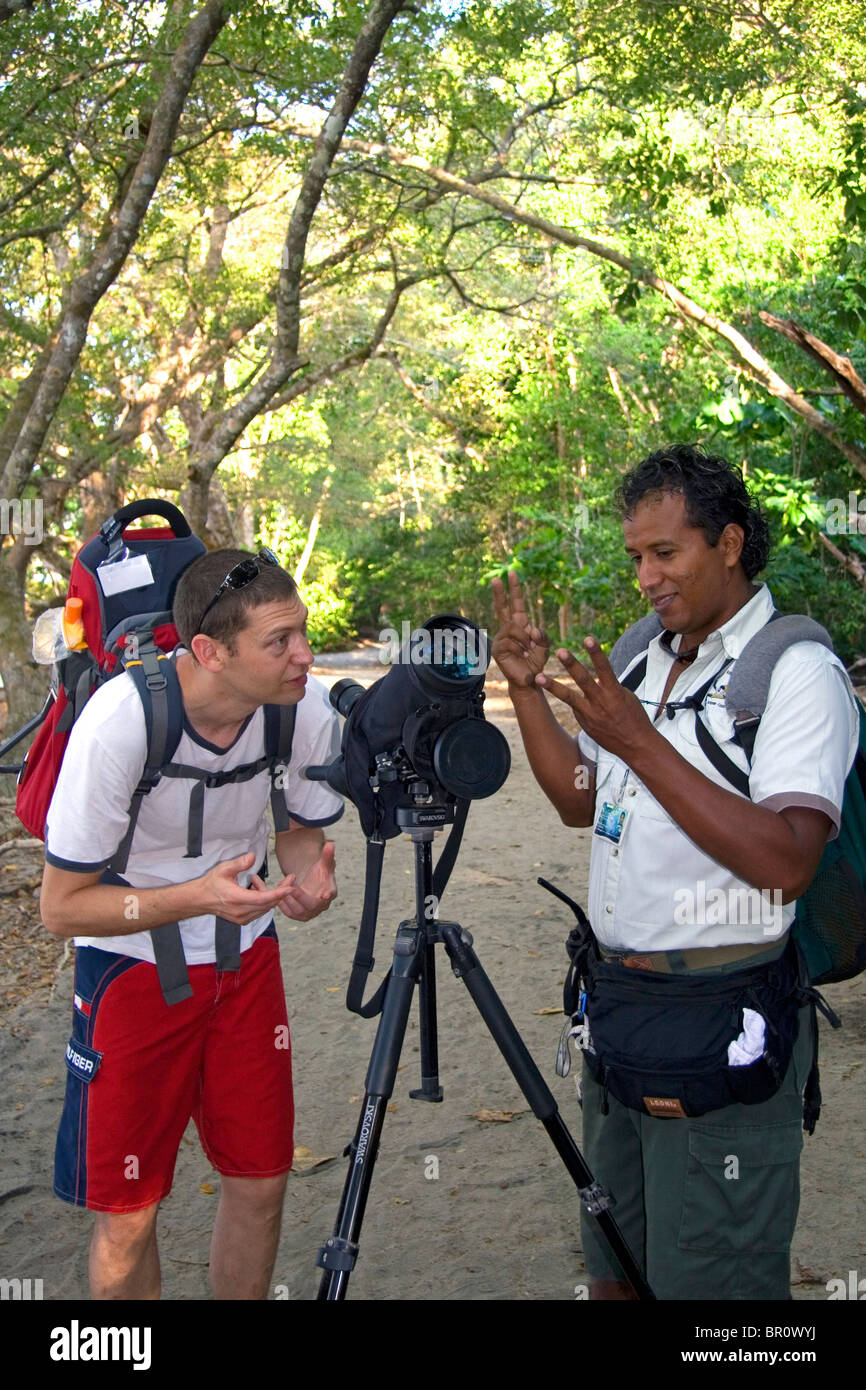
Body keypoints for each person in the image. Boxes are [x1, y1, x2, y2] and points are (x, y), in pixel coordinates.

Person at [491, 444, 860, 1301]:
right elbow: (581, 800)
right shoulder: (641, 657)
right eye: (635, 558)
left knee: (715, 1288)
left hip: (720, 1028)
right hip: (619, 1017)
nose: (647, 577)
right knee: (617, 1265)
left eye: (666, 553)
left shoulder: (797, 672)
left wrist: (643, 744)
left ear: (728, 544)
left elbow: (787, 865)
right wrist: (528, 695)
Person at [40, 547, 344, 1300]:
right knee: (128, 1209)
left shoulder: (300, 706)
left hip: (245, 961)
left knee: (261, 1178)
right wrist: (195, 897)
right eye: (280, 642)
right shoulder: (121, 722)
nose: (305, 657)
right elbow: (60, 908)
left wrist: (305, 879)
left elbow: (297, 832)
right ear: (208, 652)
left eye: (303, 632)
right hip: (131, 969)